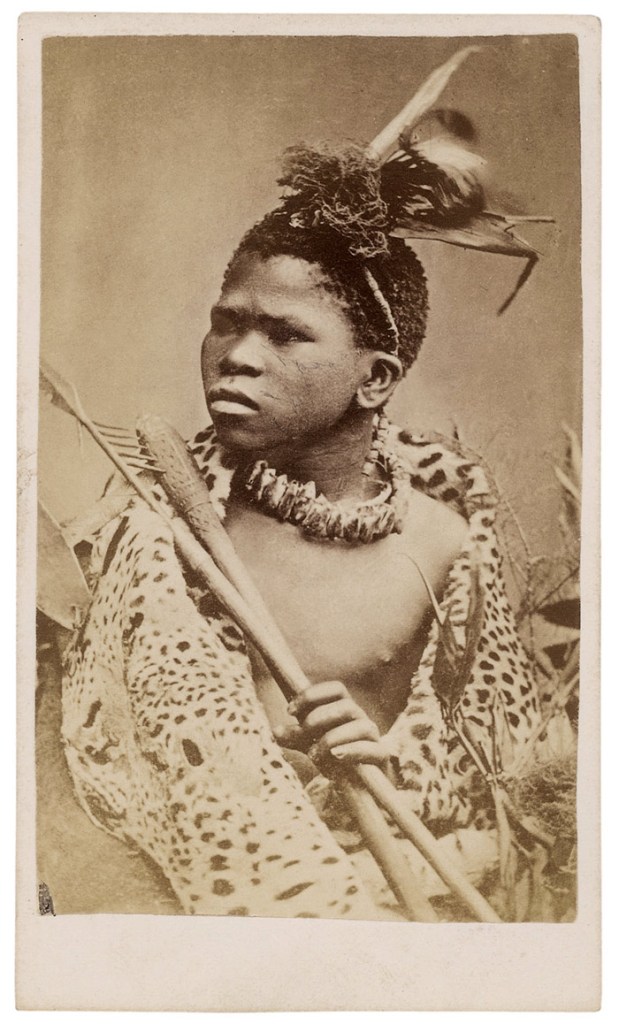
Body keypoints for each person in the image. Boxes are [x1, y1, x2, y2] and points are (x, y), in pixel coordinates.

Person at [41, 54, 549, 920]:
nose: (236, 356)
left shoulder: (445, 544)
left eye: (284, 334)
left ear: (375, 376)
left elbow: (502, 773)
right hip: (186, 909)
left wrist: (382, 755)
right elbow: (75, 765)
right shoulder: (148, 537)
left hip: (403, 908)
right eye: (226, 323)